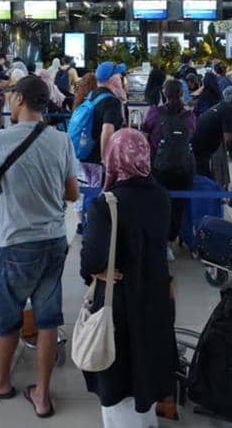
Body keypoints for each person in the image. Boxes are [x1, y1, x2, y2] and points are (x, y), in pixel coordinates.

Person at [0, 75, 79, 414]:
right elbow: (72, 194)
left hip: (16, 242)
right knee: (47, 319)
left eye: (10, 96)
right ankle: (42, 393)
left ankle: (0, 380)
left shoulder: (0, 140)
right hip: (54, 240)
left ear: (19, 100)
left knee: (8, 315)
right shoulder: (61, 140)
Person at [79, 128, 175, 428]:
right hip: (155, 297)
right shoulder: (161, 196)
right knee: (146, 367)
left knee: (118, 374)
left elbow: (92, 260)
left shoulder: (105, 204)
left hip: (119, 301)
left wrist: (94, 270)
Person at [141, 78, 194, 257]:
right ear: (181, 93)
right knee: (177, 207)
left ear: (164, 94)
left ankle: (158, 243)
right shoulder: (189, 115)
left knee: (157, 205)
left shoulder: (155, 112)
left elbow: (145, 135)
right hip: (182, 169)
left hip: (159, 168)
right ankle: (171, 241)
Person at [191, 86, 232, 184]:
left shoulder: (221, 106)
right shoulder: (228, 110)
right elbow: (228, 137)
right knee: (204, 180)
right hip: (201, 151)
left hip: (196, 147)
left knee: (205, 177)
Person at [86, 62, 127, 171]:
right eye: (119, 75)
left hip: (86, 156)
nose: (121, 77)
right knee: (102, 188)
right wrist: (106, 161)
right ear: (112, 79)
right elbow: (107, 131)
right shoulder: (111, 101)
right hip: (98, 161)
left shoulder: (92, 95)